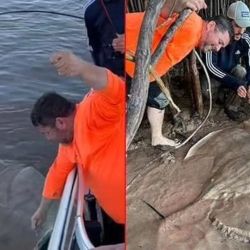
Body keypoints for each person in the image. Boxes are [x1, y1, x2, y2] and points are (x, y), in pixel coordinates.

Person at [30, 52, 125, 244]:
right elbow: (56, 173)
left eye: (46, 133)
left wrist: (82, 68)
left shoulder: (93, 110)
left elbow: (115, 88)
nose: (47, 139)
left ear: (60, 122)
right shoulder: (68, 143)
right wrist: (42, 210)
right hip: (112, 215)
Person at [126, 0, 233, 147]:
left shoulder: (194, 28)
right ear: (211, 26)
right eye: (220, 42)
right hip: (128, 53)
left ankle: (156, 137)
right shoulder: (191, 25)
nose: (218, 48)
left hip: (139, 62)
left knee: (159, 99)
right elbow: (165, 11)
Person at [203, 1, 250, 121]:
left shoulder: (244, 38)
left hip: (232, 71)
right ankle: (221, 95)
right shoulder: (214, 35)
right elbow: (210, 66)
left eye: (244, 27)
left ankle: (231, 106)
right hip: (214, 75)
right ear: (229, 21)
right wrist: (235, 84)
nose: (242, 31)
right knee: (207, 92)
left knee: (242, 71)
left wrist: (248, 84)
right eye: (238, 26)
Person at [83, 0, 124, 76]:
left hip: (145, 71)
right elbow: (94, 48)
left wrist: (132, 41)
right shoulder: (91, 9)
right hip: (112, 74)